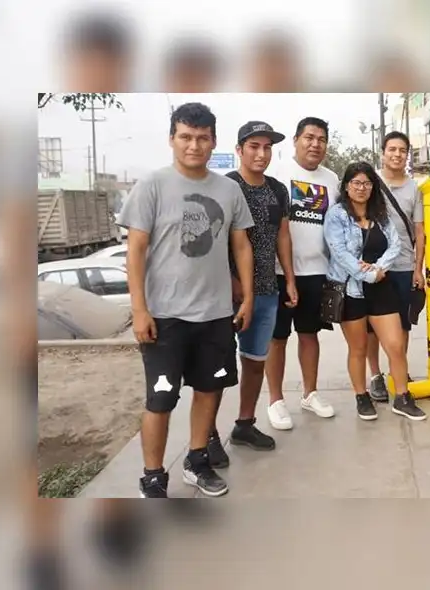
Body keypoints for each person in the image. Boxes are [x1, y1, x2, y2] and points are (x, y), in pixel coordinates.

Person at [118, 102, 255, 498]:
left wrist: (245, 298)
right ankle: (153, 477)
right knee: (160, 400)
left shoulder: (228, 190)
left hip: (215, 314)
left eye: (202, 138)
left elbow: (242, 245)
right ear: (172, 140)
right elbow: (136, 250)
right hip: (165, 317)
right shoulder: (152, 186)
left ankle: (197, 461)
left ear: (214, 141)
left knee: (209, 390)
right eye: (186, 137)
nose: (194, 145)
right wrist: (139, 309)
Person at [197, 121, 297, 466]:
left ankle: (244, 424)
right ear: (239, 150)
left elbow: (283, 235)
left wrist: (291, 279)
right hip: (224, 295)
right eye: (254, 146)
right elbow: (210, 240)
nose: (261, 153)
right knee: (216, 369)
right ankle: (206, 436)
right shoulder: (223, 187)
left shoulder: (277, 189)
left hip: (267, 290)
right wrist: (232, 279)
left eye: (267, 147)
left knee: (255, 361)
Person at [324, 162, 427, 421]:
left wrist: (379, 270)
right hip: (351, 290)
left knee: (395, 345)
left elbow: (395, 244)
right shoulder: (336, 214)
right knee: (358, 348)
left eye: (367, 183)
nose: (361, 188)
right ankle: (362, 396)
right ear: (346, 186)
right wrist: (368, 274)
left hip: (382, 288)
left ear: (373, 187)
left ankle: (402, 397)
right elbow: (339, 252)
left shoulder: (380, 214)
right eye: (356, 183)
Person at [263, 117, 338, 430]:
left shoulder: (332, 179)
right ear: (295, 140)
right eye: (309, 137)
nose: (315, 144)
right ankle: (276, 400)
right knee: (277, 338)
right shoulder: (276, 174)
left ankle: (310, 393)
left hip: (317, 272)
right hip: (280, 273)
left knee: (310, 335)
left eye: (321, 139)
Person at [367, 131, 425, 403]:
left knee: (402, 325)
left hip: (403, 266)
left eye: (402, 150)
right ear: (383, 152)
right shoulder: (371, 183)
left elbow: (420, 232)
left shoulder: (414, 188)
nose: (397, 154)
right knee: (372, 328)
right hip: (373, 267)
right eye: (392, 149)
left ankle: (398, 372)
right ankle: (377, 375)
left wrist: (418, 268)